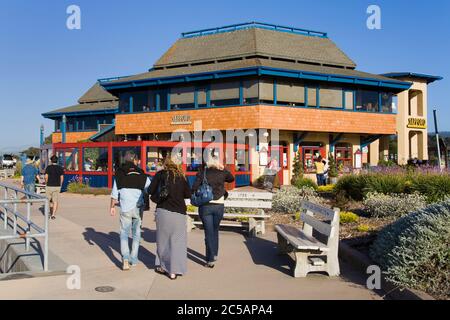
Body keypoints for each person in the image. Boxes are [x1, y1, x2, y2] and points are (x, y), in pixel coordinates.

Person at [149, 157, 191, 280]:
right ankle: (174, 270)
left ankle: (164, 267)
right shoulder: (182, 176)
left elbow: (150, 190)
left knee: (163, 241)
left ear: (166, 163)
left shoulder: (160, 175)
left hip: (163, 211)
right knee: (178, 242)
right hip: (179, 213)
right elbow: (188, 194)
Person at [110, 151, 150, 271]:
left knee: (124, 233)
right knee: (136, 234)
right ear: (135, 160)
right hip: (138, 208)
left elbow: (114, 194)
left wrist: (112, 207)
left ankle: (125, 258)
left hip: (125, 208)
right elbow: (149, 187)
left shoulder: (119, 173)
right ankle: (134, 258)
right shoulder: (141, 173)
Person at [192, 155, 234, 268]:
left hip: (205, 206)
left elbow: (194, 187)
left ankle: (210, 259)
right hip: (219, 206)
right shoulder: (222, 172)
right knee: (215, 230)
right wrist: (223, 168)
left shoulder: (202, 172)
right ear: (218, 162)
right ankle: (214, 254)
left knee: (208, 232)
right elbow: (231, 178)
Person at [45, 155, 64, 220]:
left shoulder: (48, 167)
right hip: (57, 186)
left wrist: (46, 182)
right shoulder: (60, 168)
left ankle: (49, 213)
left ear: (51, 160)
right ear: (57, 160)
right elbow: (61, 177)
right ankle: (53, 215)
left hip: (49, 186)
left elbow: (46, 177)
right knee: (55, 201)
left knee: (49, 200)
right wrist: (60, 185)